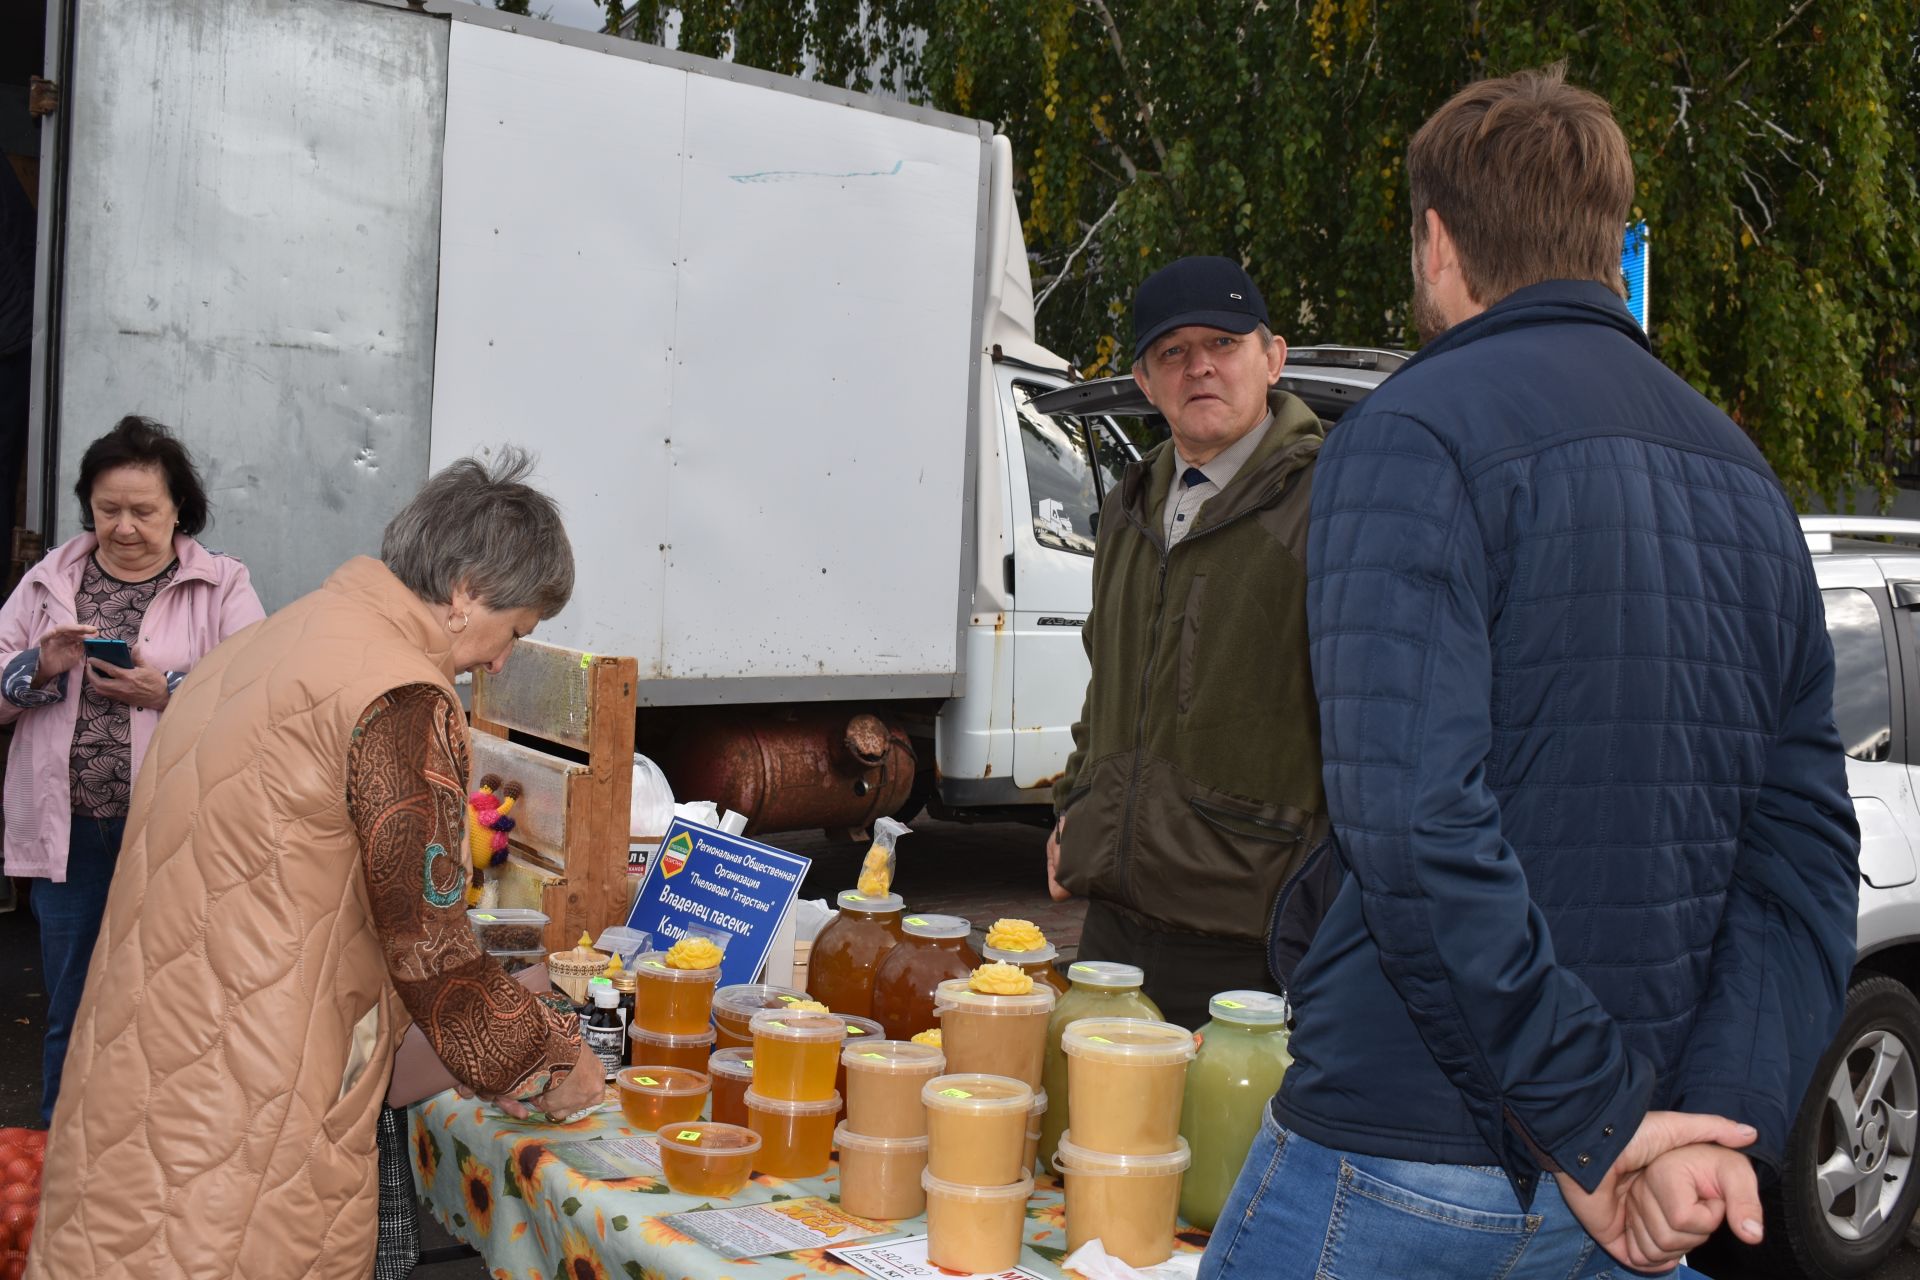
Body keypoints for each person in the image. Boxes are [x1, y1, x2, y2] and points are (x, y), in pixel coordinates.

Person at [1198, 67, 1860, 1279]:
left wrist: (1613, 1123)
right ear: (1611, 248)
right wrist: (1700, 1119)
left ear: (1439, 245)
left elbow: (1413, 817)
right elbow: (1806, 851)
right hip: (1627, 1165)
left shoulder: (1414, 432)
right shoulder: (1745, 477)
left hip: (1425, 1152)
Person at [26, 449, 603, 1280]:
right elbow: (432, 949)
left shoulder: (258, 647)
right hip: (251, 1116)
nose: (501, 659)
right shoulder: (400, 695)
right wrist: (550, 1056)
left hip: (146, 1076)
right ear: (466, 590)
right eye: (513, 631)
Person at [1046, 255, 1326, 1030]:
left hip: (1252, 933)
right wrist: (1075, 805)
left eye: (1224, 343)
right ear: (1144, 381)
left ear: (1272, 358)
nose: (1199, 365)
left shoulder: (1331, 501)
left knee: (1219, 1150)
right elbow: (1107, 682)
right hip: (1114, 924)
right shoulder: (1128, 507)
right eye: (1173, 351)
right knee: (1093, 1144)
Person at [0, 415, 264, 1122]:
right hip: (73, 834)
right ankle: (63, 1173)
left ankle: (158, 1174)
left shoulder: (221, 585)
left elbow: (260, 701)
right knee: (76, 1007)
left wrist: (167, 692)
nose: (123, 526)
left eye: (143, 511)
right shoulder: (48, 581)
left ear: (179, 508)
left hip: (176, 833)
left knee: (174, 1007)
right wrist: (38, 667)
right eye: (107, 509)